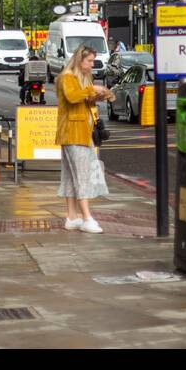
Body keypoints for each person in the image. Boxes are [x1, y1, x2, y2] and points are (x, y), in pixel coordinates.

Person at [55, 44, 114, 233]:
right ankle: (87, 217)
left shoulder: (81, 77)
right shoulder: (67, 77)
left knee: (72, 177)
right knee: (82, 176)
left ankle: (72, 217)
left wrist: (100, 95)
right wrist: (91, 89)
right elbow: (72, 97)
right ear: (79, 59)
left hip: (80, 132)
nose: (91, 64)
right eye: (89, 61)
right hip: (73, 133)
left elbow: (83, 101)